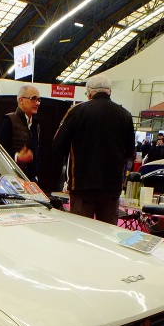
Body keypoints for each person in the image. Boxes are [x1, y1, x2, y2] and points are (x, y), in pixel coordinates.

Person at [52, 73, 135, 224]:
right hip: (111, 188)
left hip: (82, 187)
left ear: (89, 92)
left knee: (81, 233)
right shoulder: (125, 115)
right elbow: (130, 153)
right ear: (110, 92)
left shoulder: (77, 111)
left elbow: (58, 145)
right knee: (108, 234)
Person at [0, 84, 41, 183]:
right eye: (33, 99)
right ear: (21, 100)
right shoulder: (9, 120)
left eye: (38, 100)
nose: (37, 103)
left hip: (31, 181)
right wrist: (17, 157)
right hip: (13, 179)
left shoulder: (35, 125)